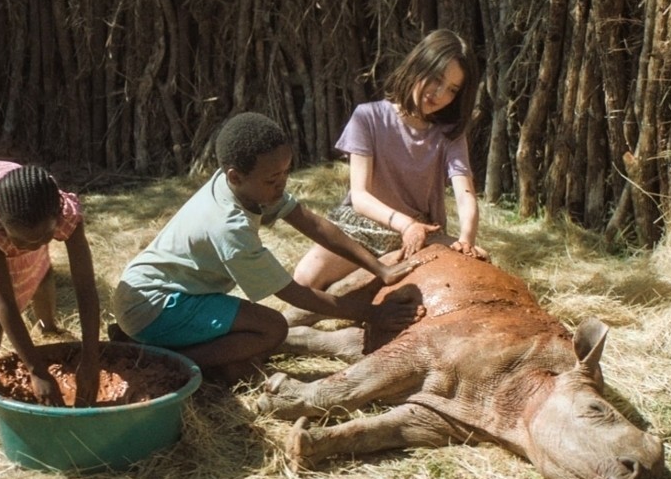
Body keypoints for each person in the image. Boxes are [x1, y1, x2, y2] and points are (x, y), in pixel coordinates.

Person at [111, 112, 425, 384]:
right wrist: (371, 313)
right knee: (271, 329)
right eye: (273, 179)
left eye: (287, 173)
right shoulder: (229, 227)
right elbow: (294, 294)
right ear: (236, 176)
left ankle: (184, 352)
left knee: (250, 343)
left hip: (163, 293)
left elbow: (312, 223)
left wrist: (379, 268)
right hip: (154, 305)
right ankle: (164, 360)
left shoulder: (247, 187)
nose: (282, 185)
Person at [293, 29, 488, 292]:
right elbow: (360, 197)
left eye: (452, 89)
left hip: (422, 232)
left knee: (483, 267)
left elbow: (465, 195)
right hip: (360, 228)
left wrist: (466, 240)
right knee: (304, 280)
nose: (439, 93)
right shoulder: (368, 118)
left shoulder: (449, 135)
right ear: (418, 65)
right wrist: (404, 225)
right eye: (435, 78)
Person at [0, 161, 100, 406]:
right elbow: (3, 302)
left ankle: (47, 326)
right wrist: (36, 370)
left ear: (56, 217)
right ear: (3, 226)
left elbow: (86, 288)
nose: (33, 246)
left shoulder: (64, 214)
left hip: (20, 193)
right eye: (23, 240)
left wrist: (91, 359)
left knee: (36, 265)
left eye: (45, 237)